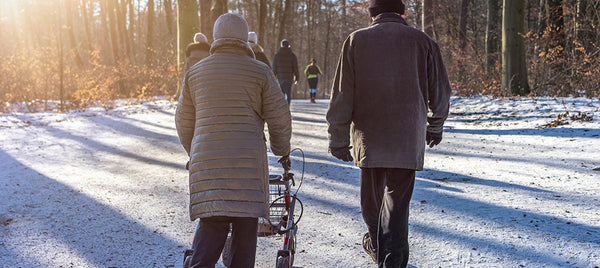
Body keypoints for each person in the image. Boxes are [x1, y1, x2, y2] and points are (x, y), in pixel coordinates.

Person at [326, 0, 451, 267]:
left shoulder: (356, 41)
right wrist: (435, 125)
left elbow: (342, 94)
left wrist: (338, 138)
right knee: (397, 206)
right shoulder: (423, 42)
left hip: (370, 139)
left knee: (371, 205)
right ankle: (392, 259)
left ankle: (380, 248)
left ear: (372, 13)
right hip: (407, 139)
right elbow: (440, 91)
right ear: (402, 12)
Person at [175, 13, 292, 268]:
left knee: (208, 236)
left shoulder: (195, 73)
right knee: (244, 230)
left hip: (209, 168)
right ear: (244, 39)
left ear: (216, 37)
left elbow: (184, 122)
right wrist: (282, 152)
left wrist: (194, 153)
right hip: (247, 171)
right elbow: (280, 118)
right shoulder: (261, 72)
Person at [272, 39, 299, 105]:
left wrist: (273, 77)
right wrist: (297, 78)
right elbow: (295, 68)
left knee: (281, 94)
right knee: (288, 94)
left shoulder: (277, 55)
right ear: (288, 45)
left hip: (280, 77)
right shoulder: (292, 55)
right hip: (289, 77)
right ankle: (287, 109)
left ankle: (282, 110)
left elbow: (274, 67)